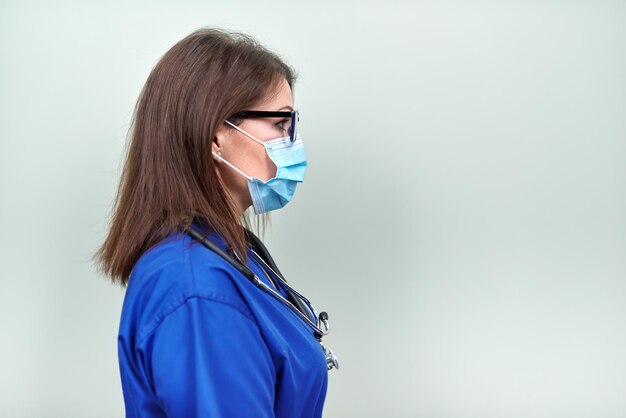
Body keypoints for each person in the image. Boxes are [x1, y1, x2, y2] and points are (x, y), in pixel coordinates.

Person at [94, 27, 336, 418]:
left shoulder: (228, 256)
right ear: (214, 135)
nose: (292, 143)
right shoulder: (197, 289)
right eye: (280, 124)